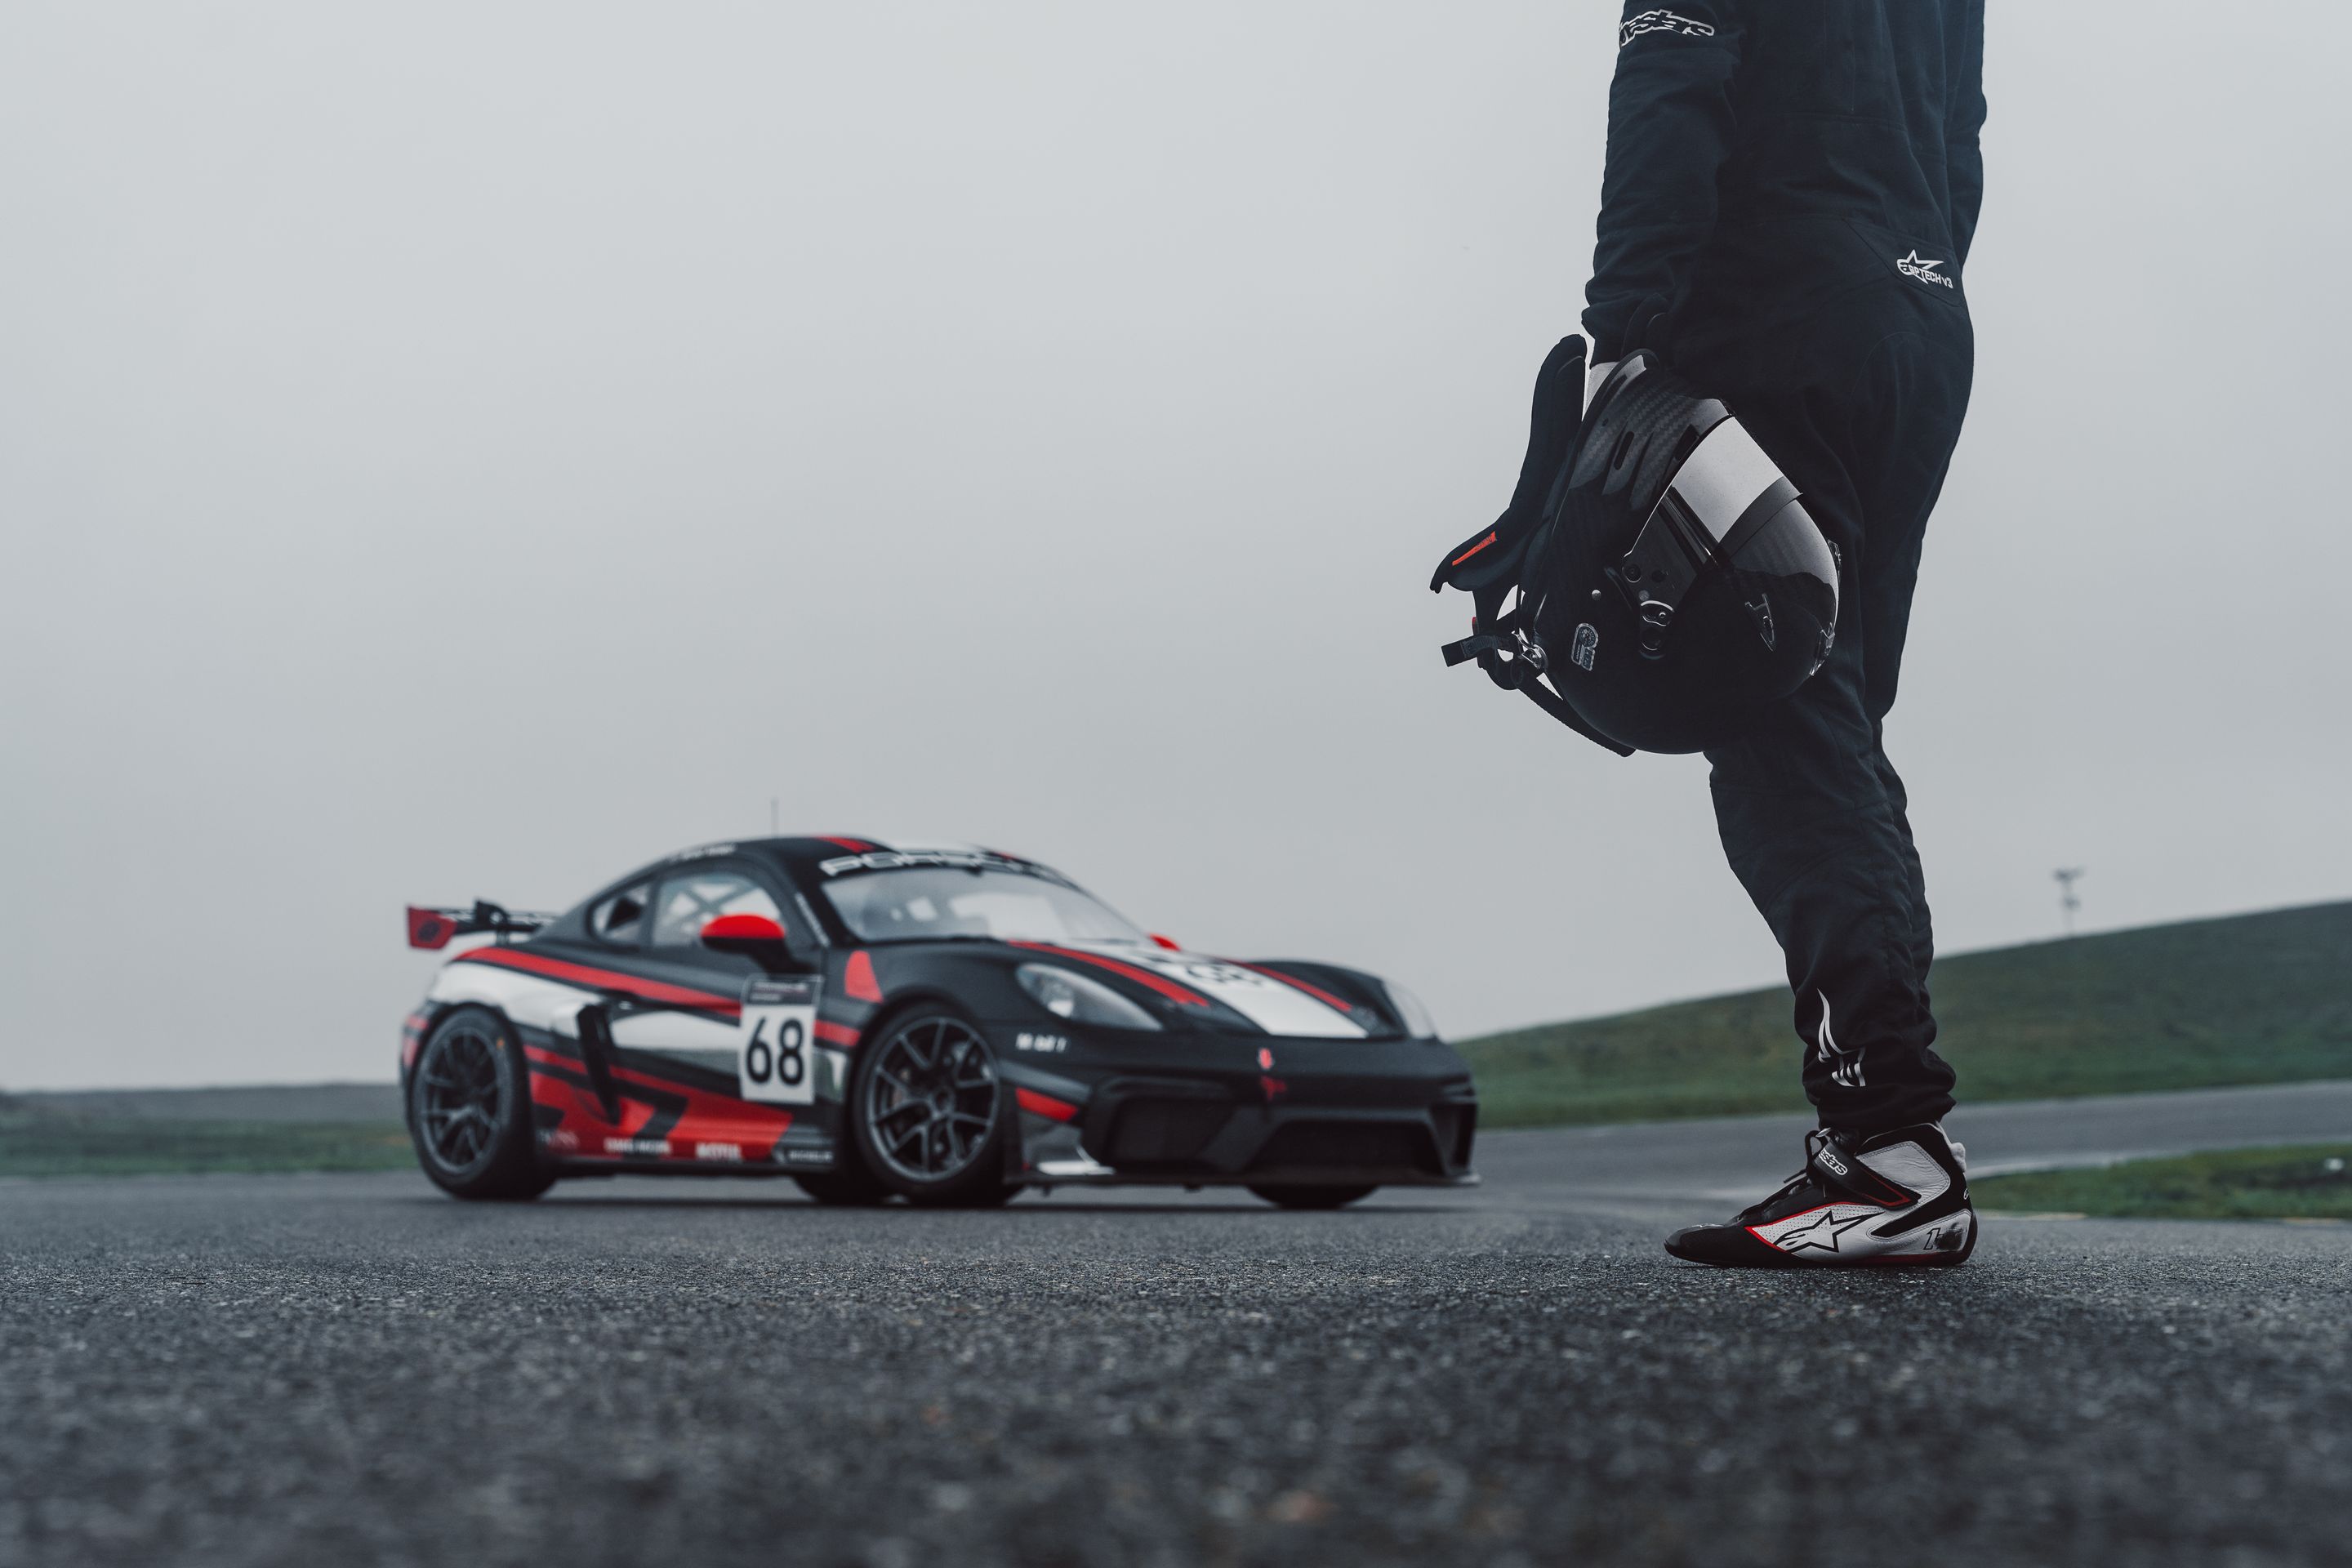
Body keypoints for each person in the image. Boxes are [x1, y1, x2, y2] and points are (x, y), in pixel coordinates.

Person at [1582, 2, 1987, 1265]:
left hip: (1774, 323)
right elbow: (1961, 133)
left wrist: (1622, 334)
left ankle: (1888, 1153)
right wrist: (1905, 270)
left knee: (1787, 732)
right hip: (1915, 322)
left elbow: (1668, 83)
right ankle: (1888, 1145)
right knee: (1840, 734)